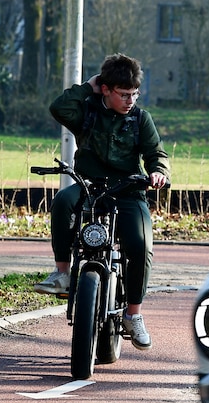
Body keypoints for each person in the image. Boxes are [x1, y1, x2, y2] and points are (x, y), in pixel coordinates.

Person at [36, 53, 170, 350]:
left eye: (134, 94)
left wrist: (158, 172)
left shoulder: (140, 119)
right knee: (62, 201)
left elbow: (156, 154)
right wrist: (88, 86)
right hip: (89, 186)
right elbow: (58, 108)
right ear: (106, 89)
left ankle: (133, 315)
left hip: (129, 191)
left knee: (139, 244)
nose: (130, 100)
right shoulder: (87, 112)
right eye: (123, 94)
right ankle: (62, 273)